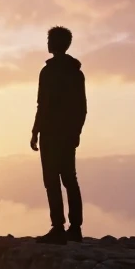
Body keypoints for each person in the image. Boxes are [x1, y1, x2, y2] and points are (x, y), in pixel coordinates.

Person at [30, 26, 86, 244]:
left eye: (49, 39)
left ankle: (60, 227)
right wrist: (75, 132)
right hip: (62, 134)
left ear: (56, 43)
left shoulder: (51, 72)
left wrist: (36, 130)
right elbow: (81, 108)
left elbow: (42, 105)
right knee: (68, 179)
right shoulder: (75, 72)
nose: (47, 43)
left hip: (53, 134)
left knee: (55, 180)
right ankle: (73, 228)